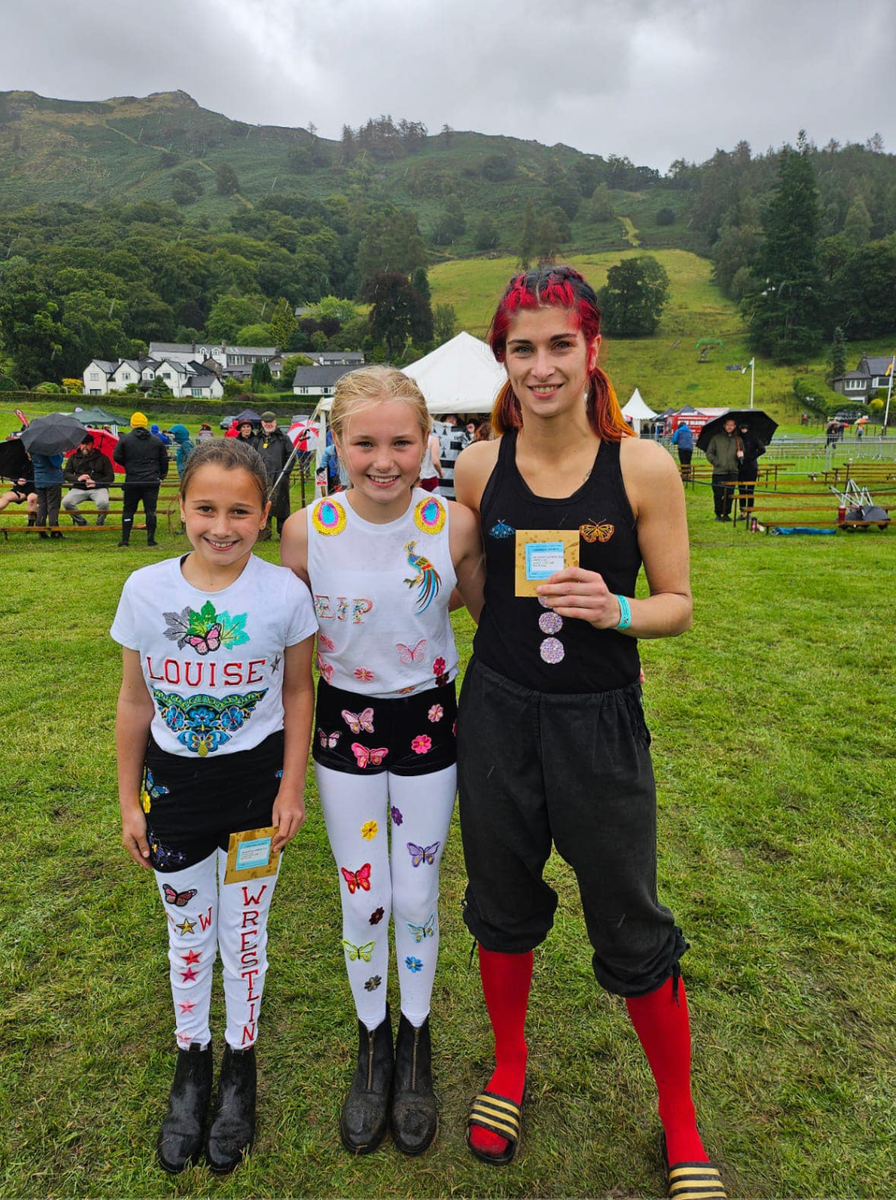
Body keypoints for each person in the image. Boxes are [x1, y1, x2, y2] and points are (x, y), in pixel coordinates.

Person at [453, 266, 725, 1199]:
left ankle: (681, 1121)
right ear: (503, 358)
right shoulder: (479, 465)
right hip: (495, 712)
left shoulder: (642, 465)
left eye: (559, 344)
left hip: (598, 725)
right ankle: (509, 1064)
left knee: (629, 914)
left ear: (592, 350)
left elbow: (680, 606)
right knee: (500, 896)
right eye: (522, 348)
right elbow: (473, 591)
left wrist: (615, 610)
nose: (541, 365)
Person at [281, 366, 484, 1157]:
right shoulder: (307, 531)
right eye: (364, 442)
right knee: (364, 893)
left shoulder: (452, 522)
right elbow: (291, 644)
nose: (384, 459)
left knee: (417, 891)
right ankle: (372, 1047)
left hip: (431, 723)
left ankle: (417, 1042)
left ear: (427, 442)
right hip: (343, 729)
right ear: (335, 443)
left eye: (402, 441)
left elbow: (474, 603)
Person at [111, 437, 316, 1175]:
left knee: (247, 932)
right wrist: (130, 802)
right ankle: (191, 1062)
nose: (221, 527)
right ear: (182, 506)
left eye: (239, 511)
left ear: (265, 514)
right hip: (174, 794)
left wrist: (293, 788)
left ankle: (241, 1066)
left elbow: (298, 694)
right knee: (189, 935)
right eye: (205, 508)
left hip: (255, 792)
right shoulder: (145, 590)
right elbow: (135, 700)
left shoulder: (285, 594)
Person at [113, 412, 169, 548]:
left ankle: (125, 539)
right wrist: (161, 476)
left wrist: (128, 464)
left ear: (132, 424)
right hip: (151, 480)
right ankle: (151, 539)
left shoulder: (125, 439)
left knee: (128, 509)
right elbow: (164, 460)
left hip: (132, 479)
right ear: (145, 423)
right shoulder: (156, 441)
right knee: (150, 510)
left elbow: (116, 456)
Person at [62, 432, 114, 526]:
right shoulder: (73, 457)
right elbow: (66, 474)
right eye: (82, 444)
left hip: (98, 488)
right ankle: (81, 522)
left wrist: (96, 483)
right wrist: (78, 478)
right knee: (66, 502)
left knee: (104, 503)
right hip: (79, 487)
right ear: (79, 444)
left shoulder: (103, 458)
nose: (85, 446)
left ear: (92, 444)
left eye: (88, 444)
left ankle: (100, 522)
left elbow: (110, 477)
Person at [256, 412, 294, 540]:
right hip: (262, 478)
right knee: (263, 504)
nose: (268, 424)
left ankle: (283, 531)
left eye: (271, 421)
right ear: (262, 423)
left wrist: (285, 473)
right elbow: (251, 455)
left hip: (280, 477)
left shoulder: (284, 438)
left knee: (282, 506)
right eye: (266, 422)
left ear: (275, 422)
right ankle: (264, 532)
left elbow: (292, 456)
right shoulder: (258, 439)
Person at [704, 417, 741, 522]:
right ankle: (718, 513)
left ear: (734, 427)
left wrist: (741, 456)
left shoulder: (738, 440)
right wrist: (717, 463)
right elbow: (709, 453)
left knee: (730, 494)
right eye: (728, 424)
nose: (730, 427)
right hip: (719, 472)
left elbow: (742, 454)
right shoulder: (716, 439)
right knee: (718, 494)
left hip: (732, 472)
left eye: (732, 425)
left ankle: (726, 513)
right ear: (724, 426)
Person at [31, 448, 65, 539]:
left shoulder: (33, 449)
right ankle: (55, 530)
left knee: (42, 505)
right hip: (52, 480)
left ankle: (40, 529)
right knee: (53, 505)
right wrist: (61, 454)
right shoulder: (50, 448)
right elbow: (57, 462)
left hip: (39, 480)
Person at [736, 422, 766, 520]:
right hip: (740, 467)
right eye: (742, 428)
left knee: (750, 490)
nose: (743, 430)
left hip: (751, 467)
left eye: (745, 428)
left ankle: (749, 513)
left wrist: (751, 457)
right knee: (741, 490)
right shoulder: (737, 438)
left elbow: (762, 449)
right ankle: (743, 512)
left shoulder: (754, 437)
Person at [0, 451, 38, 524]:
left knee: (32, 498)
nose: (29, 453)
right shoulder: (21, 461)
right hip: (21, 489)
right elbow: (12, 475)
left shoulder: (41, 462)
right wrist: (18, 480)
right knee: (6, 496)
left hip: (36, 488)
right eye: (27, 452)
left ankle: (30, 525)